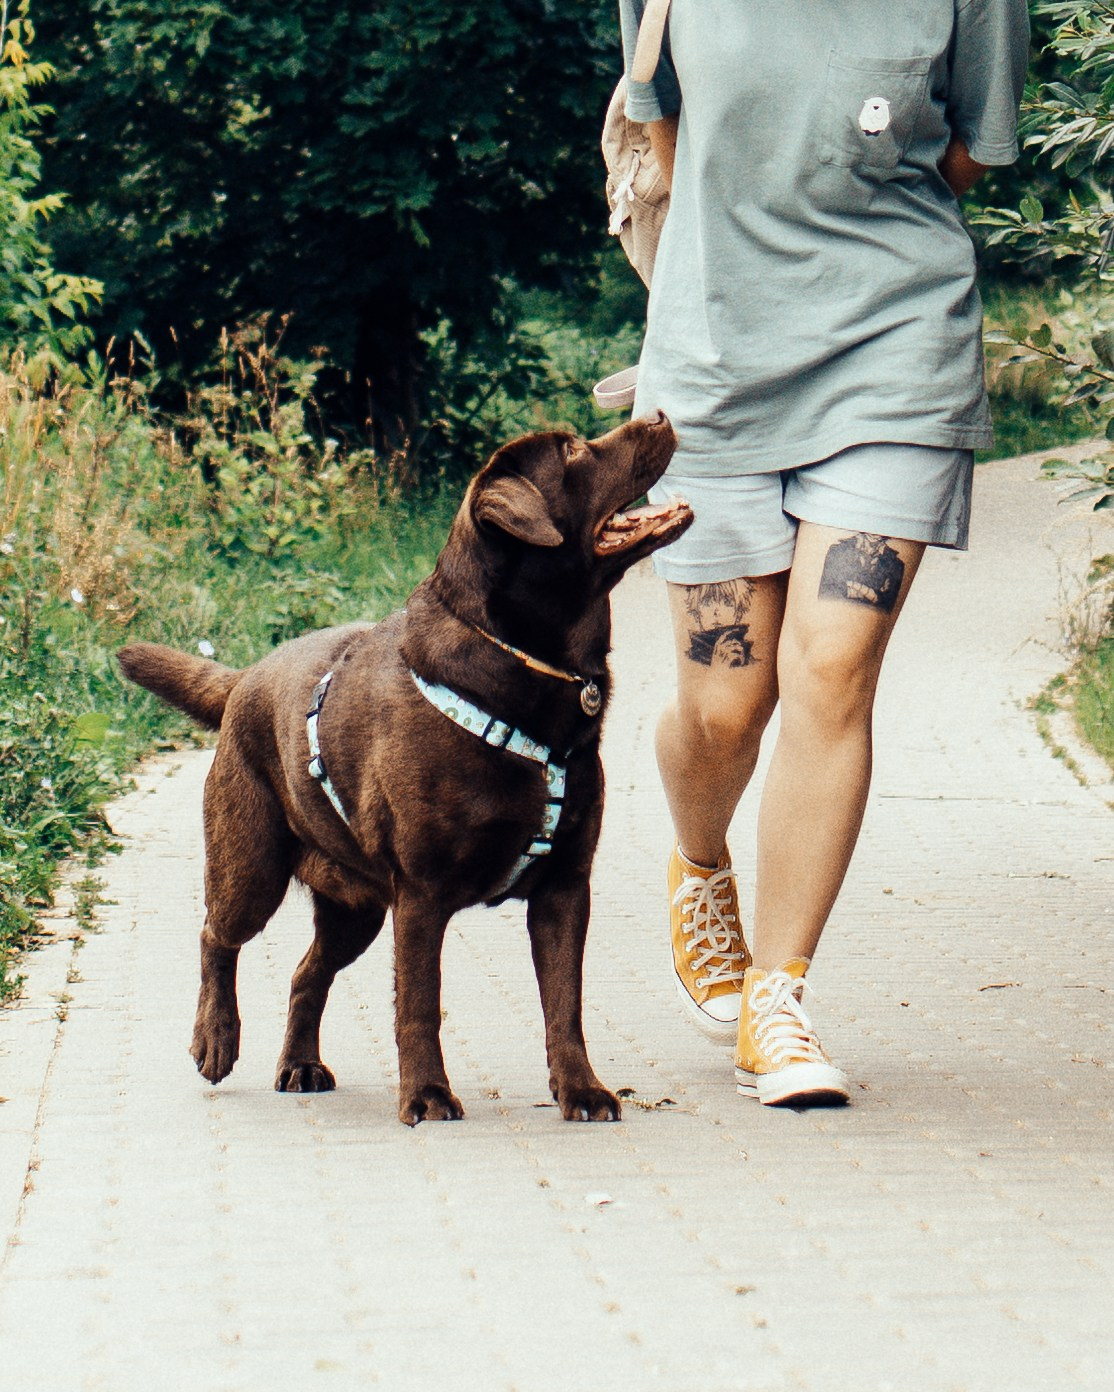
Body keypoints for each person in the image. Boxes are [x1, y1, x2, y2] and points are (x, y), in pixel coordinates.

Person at [617, 0, 1029, 1104]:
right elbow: (664, 128)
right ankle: (701, 865)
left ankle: (778, 997)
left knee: (833, 663)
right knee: (723, 706)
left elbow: (968, 150)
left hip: (895, 350)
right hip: (714, 365)